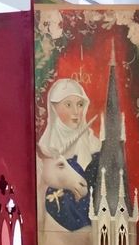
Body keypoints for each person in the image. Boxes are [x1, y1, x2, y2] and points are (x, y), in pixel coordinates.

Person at [37, 78, 101, 232]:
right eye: (68, 105)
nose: (76, 112)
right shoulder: (45, 152)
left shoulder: (95, 146)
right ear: (53, 107)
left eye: (80, 104)